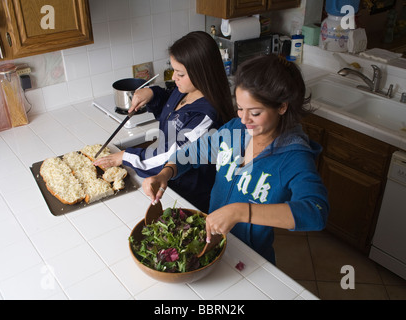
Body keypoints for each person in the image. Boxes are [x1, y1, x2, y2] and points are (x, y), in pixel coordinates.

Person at [141, 54, 329, 265]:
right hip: (212, 245)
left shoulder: (294, 157)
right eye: (240, 108)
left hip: (251, 258)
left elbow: (316, 212)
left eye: (255, 112)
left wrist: (241, 211)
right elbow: (194, 152)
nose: (244, 118)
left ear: (282, 107)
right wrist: (165, 173)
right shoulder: (235, 130)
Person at [94, 31, 235, 212]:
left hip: (188, 194)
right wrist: (152, 93)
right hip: (168, 183)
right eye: (174, 70)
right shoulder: (185, 90)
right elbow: (170, 106)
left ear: (202, 73)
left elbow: (173, 155)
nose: (173, 78)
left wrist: (125, 156)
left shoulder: (206, 117)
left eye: (180, 74)